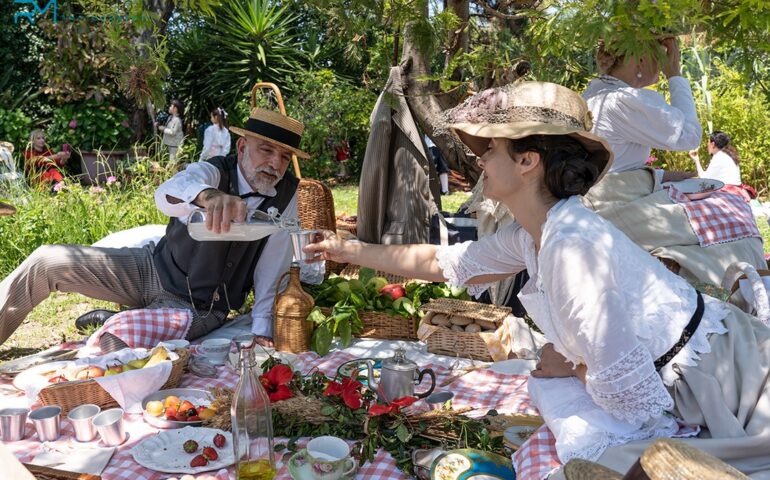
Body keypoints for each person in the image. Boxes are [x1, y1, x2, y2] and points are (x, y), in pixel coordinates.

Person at [304, 81, 770, 477]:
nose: (480, 162)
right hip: (694, 382)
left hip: (732, 385)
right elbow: (446, 261)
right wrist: (348, 250)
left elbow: (633, 403)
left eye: (489, 149)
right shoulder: (537, 232)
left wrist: (570, 364)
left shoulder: (570, 246)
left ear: (527, 161)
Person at [0, 106, 309, 348]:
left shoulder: (286, 195)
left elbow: (272, 267)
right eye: (266, 150)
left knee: (117, 341)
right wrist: (207, 196)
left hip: (198, 306)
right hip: (152, 268)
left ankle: (121, 320)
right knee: (46, 262)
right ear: (241, 147)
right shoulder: (213, 172)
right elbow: (167, 193)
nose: (275, 163)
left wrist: (261, 330)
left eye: (284, 156)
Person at [580, 38, 765, 285]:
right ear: (642, 59)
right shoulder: (623, 99)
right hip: (613, 206)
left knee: (716, 197)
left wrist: (661, 176)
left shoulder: (596, 93)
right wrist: (675, 74)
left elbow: (617, 163)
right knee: (731, 206)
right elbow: (689, 137)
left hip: (602, 197)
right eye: (664, 54)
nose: (666, 60)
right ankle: (745, 292)